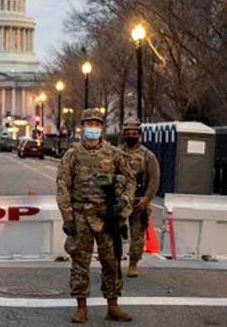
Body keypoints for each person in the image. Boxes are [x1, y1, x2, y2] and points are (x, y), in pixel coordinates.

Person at [56, 108, 136, 323]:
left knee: (111, 261)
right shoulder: (72, 155)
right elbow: (63, 185)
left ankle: (113, 305)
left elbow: (130, 180)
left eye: (96, 124)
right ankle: (81, 306)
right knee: (80, 262)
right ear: (82, 127)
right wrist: (67, 217)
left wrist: (123, 204)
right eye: (89, 124)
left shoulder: (114, 154)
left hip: (106, 216)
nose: (92, 128)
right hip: (81, 216)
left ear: (102, 127)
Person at [120, 118, 160, 278]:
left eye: (134, 133)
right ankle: (114, 262)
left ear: (139, 134)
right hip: (121, 201)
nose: (131, 135)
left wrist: (147, 199)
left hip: (139, 201)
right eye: (128, 132)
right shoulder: (117, 153)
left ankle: (133, 263)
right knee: (114, 233)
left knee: (137, 235)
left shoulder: (147, 155)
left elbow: (154, 178)